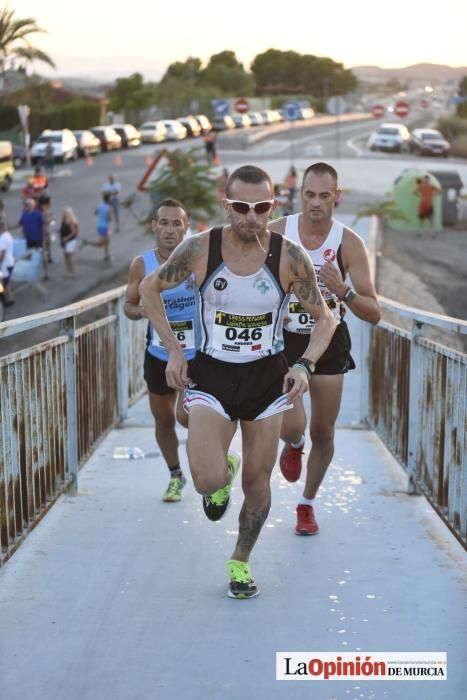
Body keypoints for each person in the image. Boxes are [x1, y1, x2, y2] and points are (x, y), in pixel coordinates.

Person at [140, 165, 336, 599]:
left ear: (273, 206)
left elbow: (325, 319)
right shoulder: (199, 249)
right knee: (206, 480)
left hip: (266, 377)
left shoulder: (288, 257)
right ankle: (221, 474)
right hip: (211, 373)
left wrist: (304, 365)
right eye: (242, 207)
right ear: (227, 205)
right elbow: (149, 291)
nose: (252, 216)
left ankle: (241, 561)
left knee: (259, 482)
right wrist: (174, 347)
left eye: (262, 207)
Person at [269, 162, 381, 536]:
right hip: (285, 340)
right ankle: (293, 443)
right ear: (300, 194)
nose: (316, 203)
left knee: (325, 431)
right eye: (309, 194)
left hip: (329, 338)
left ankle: (307, 504)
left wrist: (343, 291)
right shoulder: (278, 231)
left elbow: (374, 312)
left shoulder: (348, 242)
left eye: (324, 195)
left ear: (337, 197)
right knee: (293, 423)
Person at [124, 199, 195, 503]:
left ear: (185, 227)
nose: (169, 230)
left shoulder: (197, 259)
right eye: (163, 223)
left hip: (197, 355)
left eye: (176, 223)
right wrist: (145, 312)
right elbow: (128, 306)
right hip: (158, 354)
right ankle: (176, 475)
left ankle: (216, 468)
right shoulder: (142, 264)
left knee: (189, 417)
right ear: (154, 226)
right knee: (163, 419)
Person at [17, 198, 48, 280]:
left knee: (41, 255)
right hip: (28, 239)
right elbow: (20, 224)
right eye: (25, 205)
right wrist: (7, 229)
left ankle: (46, 273)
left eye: (27, 205)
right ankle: (28, 273)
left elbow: (43, 226)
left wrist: (44, 239)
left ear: (32, 205)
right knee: (28, 256)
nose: (26, 206)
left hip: (38, 239)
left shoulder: (38, 214)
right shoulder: (24, 214)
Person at [81, 193, 113, 261]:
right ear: (108, 199)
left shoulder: (100, 205)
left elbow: (95, 212)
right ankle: (86, 242)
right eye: (110, 198)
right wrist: (107, 216)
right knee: (101, 244)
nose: (111, 199)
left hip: (99, 226)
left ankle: (107, 256)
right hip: (104, 227)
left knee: (107, 241)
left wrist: (101, 215)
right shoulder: (109, 208)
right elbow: (110, 219)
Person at [59, 206, 79, 278]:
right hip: (65, 241)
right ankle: (68, 271)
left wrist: (66, 238)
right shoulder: (64, 220)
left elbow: (73, 232)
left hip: (70, 241)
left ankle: (72, 272)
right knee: (66, 256)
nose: (62, 214)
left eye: (64, 213)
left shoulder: (71, 221)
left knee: (69, 256)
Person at [0, 218, 15, 305]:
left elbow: (2, 254)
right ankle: (10, 298)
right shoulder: (8, 235)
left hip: (5, 265)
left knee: (3, 283)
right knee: (7, 282)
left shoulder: (3, 238)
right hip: (10, 262)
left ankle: (5, 299)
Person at [38, 194, 54, 264]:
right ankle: (46, 257)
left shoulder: (45, 209)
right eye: (50, 201)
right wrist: (50, 219)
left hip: (46, 229)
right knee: (44, 244)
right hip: (43, 230)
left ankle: (49, 256)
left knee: (48, 243)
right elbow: (44, 221)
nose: (51, 203)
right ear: (46, 202)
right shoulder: (42, 210)